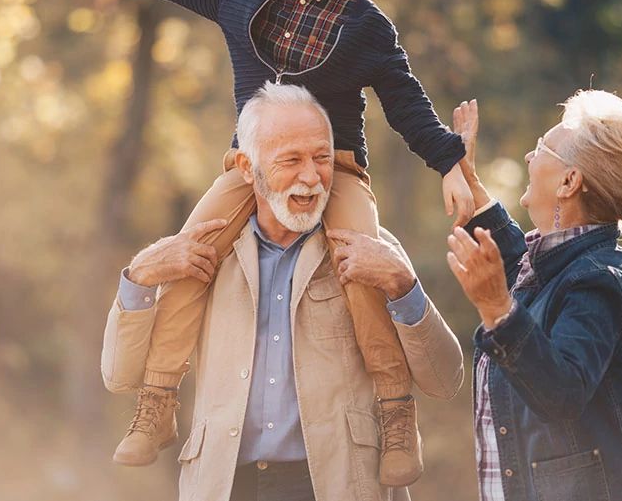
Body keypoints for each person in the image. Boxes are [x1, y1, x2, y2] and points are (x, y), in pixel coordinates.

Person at [45, 0, 471, 484]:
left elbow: (407, 104)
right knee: (191, 257)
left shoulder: (367, 27)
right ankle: (158, 400)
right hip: (251, 170)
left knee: (361, 265)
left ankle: (395, 412)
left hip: (338, 170)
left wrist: (450, 161)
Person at [101, 83, 464, 501]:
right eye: (291, 160)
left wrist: (404, 285)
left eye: (322, 158)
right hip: (224, 486)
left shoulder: (370, 248)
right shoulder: (206, 256)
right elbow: (118, 374)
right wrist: (140, 276)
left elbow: (444, 379)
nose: (311, 177)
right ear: (245, 166)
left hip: (336, 485)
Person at [444, 92, 622, 501]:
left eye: (542, 148)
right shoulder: (557, 266)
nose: (530, 157)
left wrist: (497, 307)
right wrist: (469, 178)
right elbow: (517, 260)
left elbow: (562, 391)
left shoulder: (599, 281)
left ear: (569, 181)